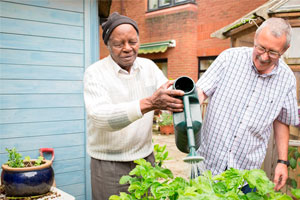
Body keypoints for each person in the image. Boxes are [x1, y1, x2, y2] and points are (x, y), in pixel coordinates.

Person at [83, 12, 184, 200]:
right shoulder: (95, 73)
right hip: (108, 163)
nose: (127, 48)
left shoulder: (149, 67)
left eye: (133, 41)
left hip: (145, 160)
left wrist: (174, 99)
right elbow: (101, 117)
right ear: (108, 46)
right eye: (119, 44)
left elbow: (165, 91)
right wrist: (150, 103)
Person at [196, 17, 299, 192]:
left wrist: (282, 161)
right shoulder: (229, 59)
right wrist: (187, 109)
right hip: (206, 165)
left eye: (273, 52)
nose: (264, 56)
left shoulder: (287, 79)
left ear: (285, 50)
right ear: (255, 39)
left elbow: (282, 121)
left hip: (245, 174)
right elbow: (201, 91)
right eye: (260, 47)